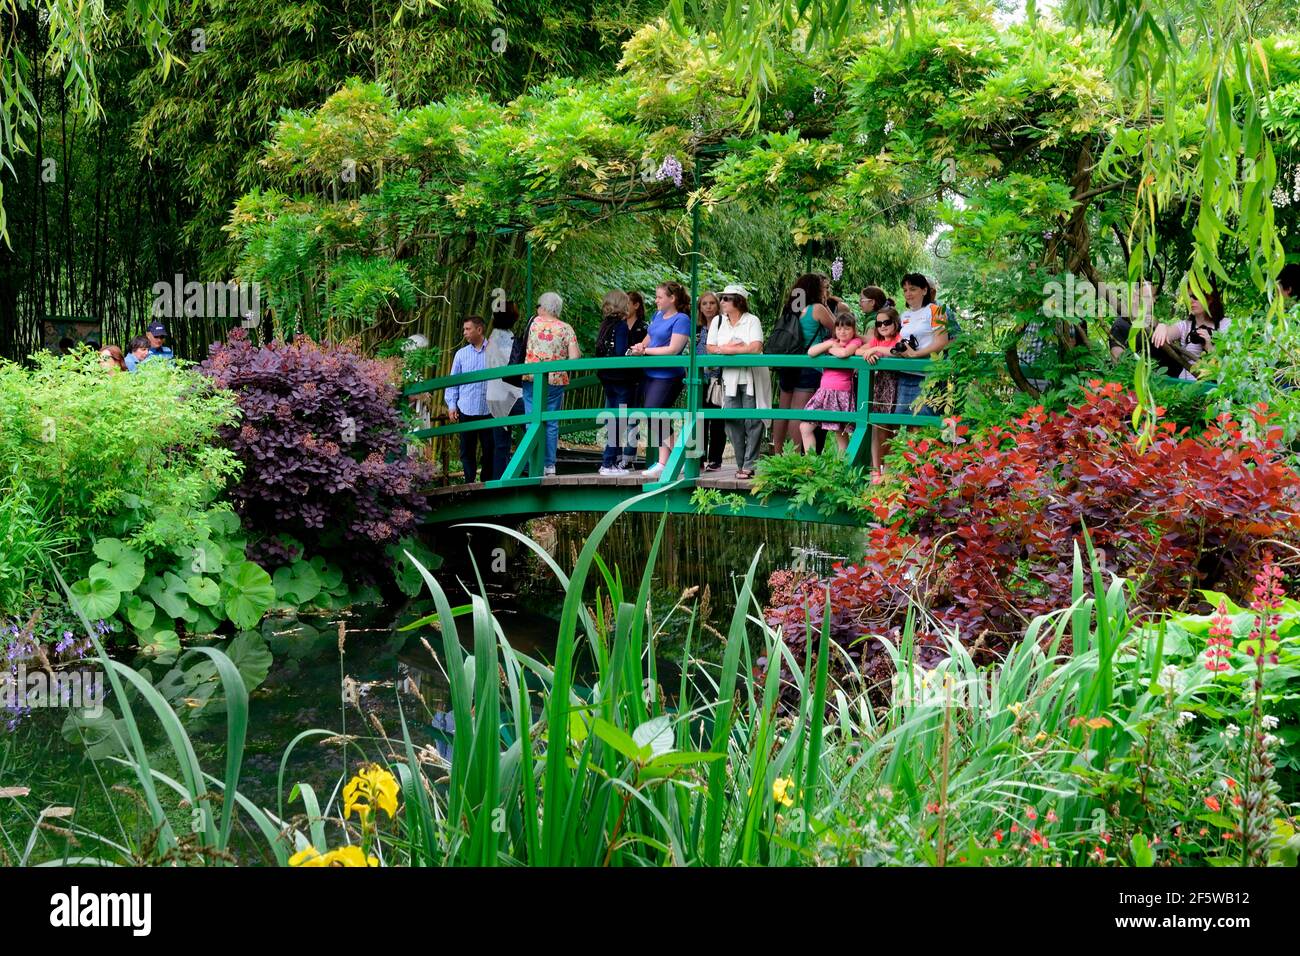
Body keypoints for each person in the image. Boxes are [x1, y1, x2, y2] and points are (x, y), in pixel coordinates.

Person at [628, 281, 692, 480]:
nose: (655, 300)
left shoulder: (682, 319)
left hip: (668, 375)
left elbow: (673, 349)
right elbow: (649, 337)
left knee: (653, 412)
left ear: (672, 299)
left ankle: (680, 457)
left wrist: (645, 352)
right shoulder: (657, 316)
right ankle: (664, 462)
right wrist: (639, 347)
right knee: (655, 416)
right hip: (650, 373)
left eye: (659, 297)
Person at [707, 284, 768, 479]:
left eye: (726, 298)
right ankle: (740, 463)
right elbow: (710, 347)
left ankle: (749, 465)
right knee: (732, 423)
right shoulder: (717, 321)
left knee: (752, 421)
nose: (722, 302)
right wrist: (734, 347)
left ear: (738, 301)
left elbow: (756, 347)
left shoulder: (752, 320)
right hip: (729, 378)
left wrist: (726, 349)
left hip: (750, 377)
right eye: (722, 298)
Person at [774, 274, 836, 453]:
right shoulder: (816, 309)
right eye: (823, 288)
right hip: (809, 365)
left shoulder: (792, 308)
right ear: (816, 290)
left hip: (788, 363)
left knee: (783, 411)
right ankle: (795, 456)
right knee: (798, 413)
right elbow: (836, 328)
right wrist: (825, 304)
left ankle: (777, 453)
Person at [522, 292, 580, 477]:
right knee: (551, 422)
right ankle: (549, 466)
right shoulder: (565, 328)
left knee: (531, 419)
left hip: (531, 377)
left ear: (544, 307)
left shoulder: (532, 324)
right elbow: (575, 357)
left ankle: (533, 463)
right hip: (555, 380)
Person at [594, 290, 647, 476]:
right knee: (619, 421)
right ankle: (608, 463)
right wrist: (634, 352)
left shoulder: (605, 325)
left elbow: (600, 349)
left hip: (607, 377)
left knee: (613, 419)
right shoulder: (622, 326)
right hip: (622, 379)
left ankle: (613, 461)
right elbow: (620, 352)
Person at [800, 309, 864, 455]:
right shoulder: (831, 342)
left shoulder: (855, 342)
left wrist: (832, 349)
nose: (843, 331)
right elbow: (811, 352)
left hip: (841, 392)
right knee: (805, 426)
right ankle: (811, 465)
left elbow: (844, 353)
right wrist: (830, 345)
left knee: (840, 433)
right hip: (823, 392)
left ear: (854, 330)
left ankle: (843, 470)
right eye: (839, 328)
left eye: (847, 328)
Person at [444, 315, 495, 483]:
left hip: (490, 410)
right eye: (464, 329)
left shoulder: (495, 351)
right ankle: (469, 482)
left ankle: (487, 481)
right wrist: (452, 405)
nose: (464, 332)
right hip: (466, 409)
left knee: (490, 449)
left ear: (479, 330)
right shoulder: (461, 354)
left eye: (468, 329)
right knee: (467, 449)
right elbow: (452, 382)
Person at [892, 273, 949, 417]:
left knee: (924, 421)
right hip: (906, 373)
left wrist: (916, 354)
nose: (908, 293)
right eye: (905, 290)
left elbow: (941, 342)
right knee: (904, 421)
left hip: (928, 375)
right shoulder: (904, 315)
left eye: (912, 289)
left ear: (924, 290)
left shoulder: (936, 310)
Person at [856, 307, 903, 471]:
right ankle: (876, 469)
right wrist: (869, 352)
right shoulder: (877, 340)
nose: (883, 326)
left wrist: (874, 350)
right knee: (878, 425)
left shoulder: (899, 338)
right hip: (880, 386)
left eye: (887, 322)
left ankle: (888, 470)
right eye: (879, 323)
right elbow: (858, 350)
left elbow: (898, 351)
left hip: (897, 385)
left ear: (896, 323)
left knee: (890, 428)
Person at [484, 301, 524, 480]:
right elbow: (510, 366)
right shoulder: (504, 338)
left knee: (501, 444)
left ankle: (501, 479)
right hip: (510, 393)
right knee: (533, 427)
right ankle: (527, 470)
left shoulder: (494, 336)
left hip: (495, 394)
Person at [1151, 287, 1226, 380]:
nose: (1191, 300)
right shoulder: (1185, 326)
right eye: (1189, 297)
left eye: (1195, 297)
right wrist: (1162, 326)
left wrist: (1209, 346)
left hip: (1213, 384)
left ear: (1209, 299)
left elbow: (1228, 363)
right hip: (1186, 384)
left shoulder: (1225, 324)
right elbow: (1167, 335)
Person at [695, 291, 726, 471]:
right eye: (704, 303)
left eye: (712, 303)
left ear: (718, 305)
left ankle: (715, 460)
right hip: (700, 380)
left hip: (717, 379)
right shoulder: (697, 328)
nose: (708, 307)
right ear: (700, 307)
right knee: (699, 419)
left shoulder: (724, 326)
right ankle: (698, 459)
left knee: (717, 421)